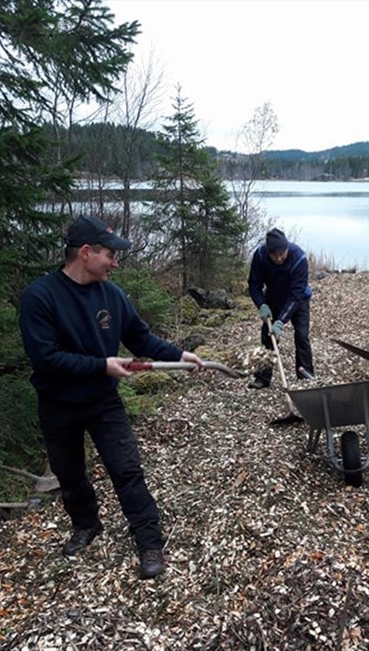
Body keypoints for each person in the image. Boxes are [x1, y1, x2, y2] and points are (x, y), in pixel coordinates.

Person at [19, 215, 204, 580]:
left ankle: (149, 542)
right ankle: (86, 524)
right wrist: (101, 365)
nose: (115, 263)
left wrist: (178, 356)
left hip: (103, 402)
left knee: (126, 469)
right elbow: (46, 358)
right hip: (57, 404)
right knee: (69, 474)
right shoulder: (39, 297)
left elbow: (140, 338)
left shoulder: (112, 295)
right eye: (110, 255)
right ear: (85, 253)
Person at [247, 227, 314, 388]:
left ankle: (305, 376)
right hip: (273, 297)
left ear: (286, 248)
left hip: (298, 300)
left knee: (302, 336)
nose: (278, 258)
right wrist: (261, 305)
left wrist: (281, 321)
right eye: (274, 255)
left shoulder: (299, 258)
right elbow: (254, 284)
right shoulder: (261, 256)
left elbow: (295, 295)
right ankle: (263, 377)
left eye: (281, 253)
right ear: (268, 252)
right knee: (267, 336)